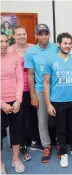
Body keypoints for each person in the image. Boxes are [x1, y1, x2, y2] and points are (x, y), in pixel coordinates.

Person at [44, 32, 72, 168]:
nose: (68, 46)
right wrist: (48, 104)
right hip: (57, 101)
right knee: (60, 129)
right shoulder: (50, 60)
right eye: (65, 43)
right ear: (59, 44)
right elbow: (46, 84)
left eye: (69, 43)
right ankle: (64, 153)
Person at [24, 24, 58, 163]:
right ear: (36, 35)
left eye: (46, 34)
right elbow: (30, 75)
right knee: (42, 119)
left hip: (56, 89)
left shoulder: (56, 47)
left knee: (57, 117)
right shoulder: (31, 52)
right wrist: (32, 96)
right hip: (39, 90)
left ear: (49, 35)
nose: (44, 36)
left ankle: (60, 142)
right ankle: (46, 145)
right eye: (41, 34)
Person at [8, 26, 41, 161]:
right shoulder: (9, 50)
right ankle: (21, 146)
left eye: (24, 34)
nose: (22, 36)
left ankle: (34, 141)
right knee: (19, 120)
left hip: (32, 88)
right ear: (14, 36)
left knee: (33, 117)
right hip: (16, 91)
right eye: (18, 34)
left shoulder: (33, 48)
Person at [1, 32, 25, 174]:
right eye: (0, 42)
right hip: (0, 102)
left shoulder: (14, 57)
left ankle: (16, 159)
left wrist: (18, 101)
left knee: (16, 131)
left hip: (15, 101)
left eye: (5, 41)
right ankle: (1, 163)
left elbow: (20, 80)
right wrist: (2, 104)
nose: (3, 44)